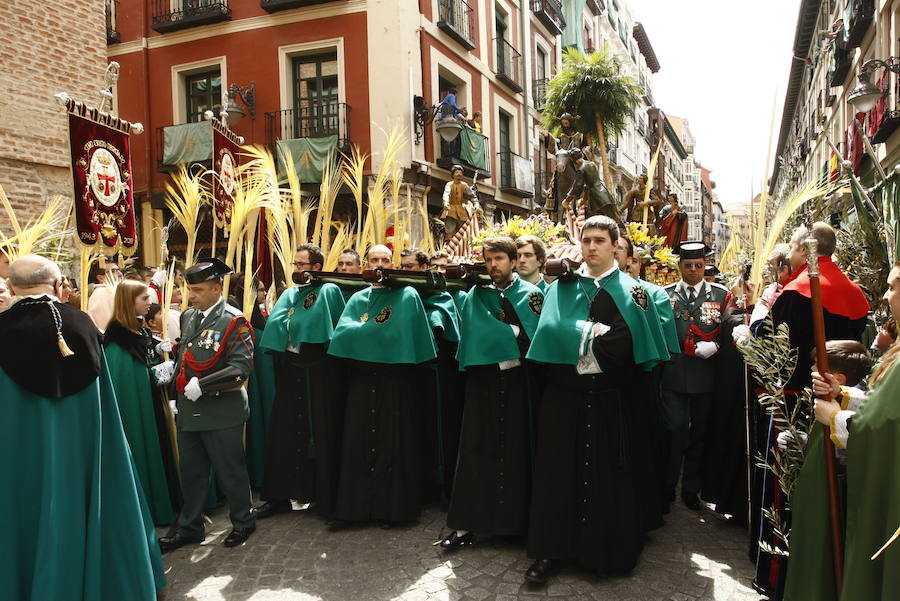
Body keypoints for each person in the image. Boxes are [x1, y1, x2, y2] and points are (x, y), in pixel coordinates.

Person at [0, 255, 165, 599]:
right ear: (59, 285)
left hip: (19, 458)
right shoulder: (83, 325)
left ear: (12, 286)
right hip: (84, 453)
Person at [524, 216, 671, 584]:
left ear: (614, 245)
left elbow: (627, 344)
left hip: (612, 401)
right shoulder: (562, 287)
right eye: (586, 240)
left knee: (610, 475)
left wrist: (575, 338)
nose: (591, 247)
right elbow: (549, 333)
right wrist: (593, 333)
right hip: (565, 398)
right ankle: (550, 553)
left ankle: (605, 551)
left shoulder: (633, 292)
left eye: (600, 240)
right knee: (558, 474)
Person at [752, 222, 869, 600]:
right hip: (843, 394)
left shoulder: (797, 292)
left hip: (795, 399)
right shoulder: (856, 295)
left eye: (794, 247)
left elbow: (771, 346)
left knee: (786, 487)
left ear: (806, 252)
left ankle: (779, 571)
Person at [440, 236, 542, 550]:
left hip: (517, 385)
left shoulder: (531, 294)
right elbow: (472, 334)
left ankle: (518, 525)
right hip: (483, 384)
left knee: (517, 451)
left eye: (499, 259)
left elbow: (537, 338)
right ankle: (466, 525)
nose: (493, 265)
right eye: (488, 260)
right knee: (475, 451)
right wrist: (508, 333)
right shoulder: (476, 295)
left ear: (513, 262)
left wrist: (501, 334)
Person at [327, 245, 438, 526]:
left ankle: (393, 510)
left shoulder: (407, 295)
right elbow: (345, 334)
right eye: (374, 260)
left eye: (385, 260)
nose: (379, 264)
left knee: (394, 445)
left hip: (394, 382)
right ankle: (355, 510)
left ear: (393, 265)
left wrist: (366, 335)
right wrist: (374, 335)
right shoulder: (358, 297)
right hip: (361, 381)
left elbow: (397, 335)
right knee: (356, 444)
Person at [157, 257, 257, 552]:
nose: (192, 295)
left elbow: (242, 366)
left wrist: (204, 384)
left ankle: (243, 521)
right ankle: (190, 527)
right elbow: (189, 354)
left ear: (216, 289)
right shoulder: (189, 316)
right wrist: (175, 385)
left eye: (198, 290)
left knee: (230, 470)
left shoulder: (233, 319)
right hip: (190, 409)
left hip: (221, 409)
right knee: (191, 471)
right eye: (190, 289)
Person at [255, 244, 347, 520]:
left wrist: (294, 326)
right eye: (294, 264)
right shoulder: (291, 293)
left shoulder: (328, 290)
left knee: (319, 432)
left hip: (318, 372)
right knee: (285, 432)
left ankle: (324, 496)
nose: (296, 269)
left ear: (316, 267)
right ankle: (280, 495)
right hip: (292, 369)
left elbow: (326, 327)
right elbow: (276, 323)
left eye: (301, 264)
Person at [783, 340, 872, 601]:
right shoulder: (840, 392)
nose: (888, 295)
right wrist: (840, 392)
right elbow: (872, 402)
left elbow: (873, 427)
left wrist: (836, 418)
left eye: (815, 365)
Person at [103, 279, 180, 525]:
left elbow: (144, 358)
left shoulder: (139, 329)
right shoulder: (118, 338)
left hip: (152, 403)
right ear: (129, 302)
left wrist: (157, 352)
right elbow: (128, 377)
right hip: (138, 408)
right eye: (144, 299)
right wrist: (156, 373)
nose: (150, 303)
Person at [564, 148, 620, 223]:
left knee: (601, 223)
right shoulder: (592, 164)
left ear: (572, 159)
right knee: (613, 221)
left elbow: (577, 187)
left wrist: (567, 200)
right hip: (606, 195)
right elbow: (587, 185)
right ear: (582, 155)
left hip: (597, 199)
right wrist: (584, 200)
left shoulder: (581, 169)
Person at [442, 165, 478, 239]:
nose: (459, 174)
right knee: (450, 230)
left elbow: (472, 196)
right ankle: (449, 246)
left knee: (463, 231)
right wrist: (446, 203)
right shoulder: (449, 184)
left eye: (460, 172)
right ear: (453, 174)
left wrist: (476, 204)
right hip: (450, 210)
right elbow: (446, 194)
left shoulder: (464, 185)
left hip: (462, 211)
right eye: (457, 172)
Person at [87, 258, 122, 332]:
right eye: (113, 271)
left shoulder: (114, 291)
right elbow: (104, 325)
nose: (120, 274)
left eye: (118, 270)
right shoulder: (103, 293)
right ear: (100, 278)